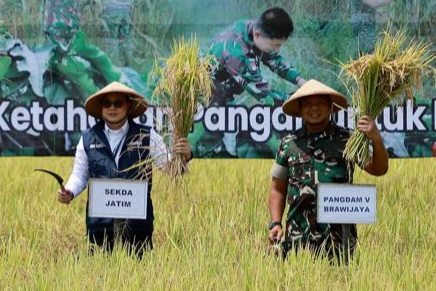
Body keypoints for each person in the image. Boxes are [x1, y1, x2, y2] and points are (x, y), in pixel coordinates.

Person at [56, 81, 193, 258]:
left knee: (138, 277)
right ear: (101, 107)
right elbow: (79, 175)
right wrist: (69, 192)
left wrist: (185, 156)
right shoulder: (88, 138)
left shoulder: (147, 136)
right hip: (100, 227)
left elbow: (171, 169)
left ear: (128, 105)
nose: (112, 108)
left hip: (138, 226)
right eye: (107, 103)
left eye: (118, 103)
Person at [267, 79, 389, 263]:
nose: (314, 108)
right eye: (308, 104)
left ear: (331, 107)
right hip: (298, 240)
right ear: (299, 109)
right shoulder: (288, 144)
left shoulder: (348, 140)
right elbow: (277, 189)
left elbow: (379, 169)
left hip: (339, 241)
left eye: (320, 103)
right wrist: (275, 223)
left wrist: (376, 139)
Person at [189, 7, 306, 158]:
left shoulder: (253, 29)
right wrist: (298, 100)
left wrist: (300, 80)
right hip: (204, 97)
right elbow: (263, 93)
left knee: (221, 134)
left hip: (224, 90)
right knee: (206, 138)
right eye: (275, 45)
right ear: (258, 35)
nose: (277, 49)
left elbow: (273, 59)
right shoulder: (236, 53)